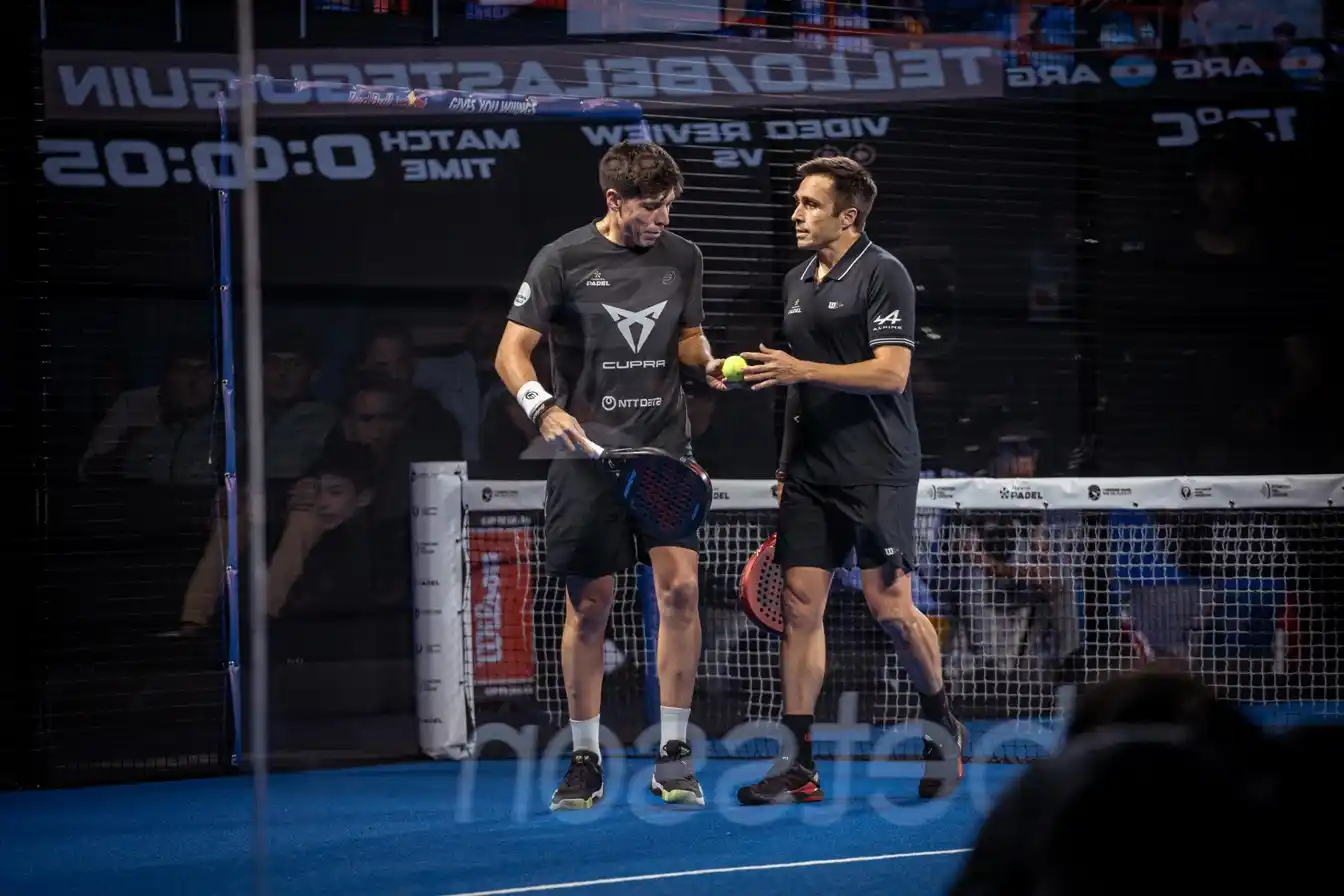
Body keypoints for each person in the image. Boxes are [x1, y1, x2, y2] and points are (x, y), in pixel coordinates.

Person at [493, 141, 728, 811]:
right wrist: (543, 408)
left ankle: (674, 754)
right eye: (651, 207)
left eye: (669, 206)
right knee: (590, 606)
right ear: (614, 200)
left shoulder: (684, 256)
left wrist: (706, 362)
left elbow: (687, 336)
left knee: (680, 592)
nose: (662, 219)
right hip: (586, 458)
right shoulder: (561, 259)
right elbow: (511, 352)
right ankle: (585, 758)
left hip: (663, 454)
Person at [737, 155, 967, 804]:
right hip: (810, 471)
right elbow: (795, 386)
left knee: (889, 607)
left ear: (849, 216)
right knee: (800, 608)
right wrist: (786, 465)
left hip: (877, 467)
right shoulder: (796, 280)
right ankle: (798, 763)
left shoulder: (884, 273)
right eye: (796, 202)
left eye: (810, 204)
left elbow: (891, 373)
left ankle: (941, 726)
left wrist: (801, 370)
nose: (796, 214)